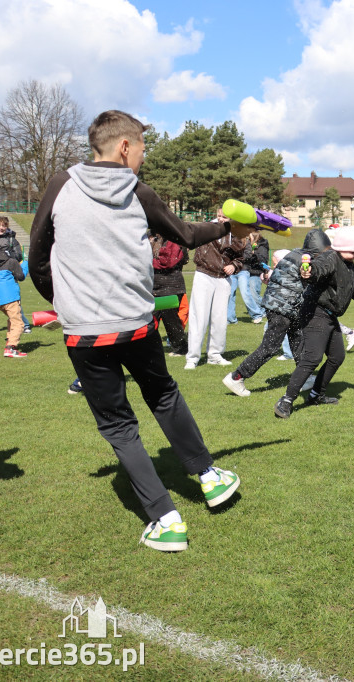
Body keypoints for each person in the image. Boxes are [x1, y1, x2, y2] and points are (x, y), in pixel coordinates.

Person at [29, 109, 245, 552]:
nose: (143, 158)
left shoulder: (59, 185)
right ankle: (208, 475)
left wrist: (65, 304)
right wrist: (225, 226)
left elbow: (36, 257)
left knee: (118, 425)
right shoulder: (137, 189)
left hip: (84, 332)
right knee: (163, 396)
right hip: (135, 323)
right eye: (142, 148)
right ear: (124, 146)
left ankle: (166, 519)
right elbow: (187, 234)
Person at [273, 226, 354, 418]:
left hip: (329, 315)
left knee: (337, 357)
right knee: (312, 358)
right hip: (315, 312)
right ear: (341, 247)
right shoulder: (329, 258)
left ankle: (316, 394)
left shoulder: (349, 266)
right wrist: (309, 272)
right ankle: (285, 401)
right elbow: (318, 269)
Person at [222, 230, 330, 397]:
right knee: (270, 347)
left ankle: (305, 377)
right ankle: (237, 376)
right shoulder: (306, 260)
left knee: (298, 341)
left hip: (285, 307)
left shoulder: (295, 254)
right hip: (282, 308)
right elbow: (307, 276)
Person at [185, 212, 246, 369]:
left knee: (219, 319)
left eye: (225, 217)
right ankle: (192, 357)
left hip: (222, 278)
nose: (221, 219)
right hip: (204, 274)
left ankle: (215, 354)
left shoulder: (236, 234)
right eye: (219, 215)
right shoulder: (207, 228)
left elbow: (241, 257)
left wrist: (234, 266)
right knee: (199, 316)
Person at [0, 242, 29, 358]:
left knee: (12, 319)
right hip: (9, 297)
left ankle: (9, 341)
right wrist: (25, 265)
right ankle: (11, 348)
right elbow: (21, 276)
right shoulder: (11, 262)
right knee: (19, 323)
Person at [150, 232, 189, 357]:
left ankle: (181, 348)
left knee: (170, 319)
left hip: (171, 286)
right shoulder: (150, 238)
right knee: (150, 318)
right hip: (154, 285)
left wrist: (150, 259)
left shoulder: (175, 240)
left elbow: (169, 261)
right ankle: (148, 347)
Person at [227, 234, 267, 324]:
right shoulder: (228, 240)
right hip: (231, 272)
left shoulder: (246, 241)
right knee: (230, 294)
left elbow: (248, 255)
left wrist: (235, 261)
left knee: (245, 293)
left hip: (243, 270)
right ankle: (231, 319)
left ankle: (257, 314)